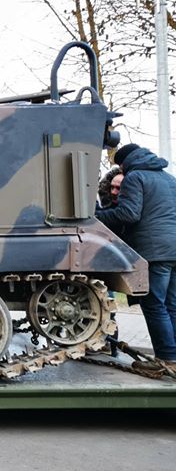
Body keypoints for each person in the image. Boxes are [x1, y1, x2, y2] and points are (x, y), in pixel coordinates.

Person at [95, 144, 176, 371]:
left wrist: (96, 216)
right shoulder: (169, 178)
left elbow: (129, 214)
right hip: (173, 249)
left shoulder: (135, 177)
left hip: (154, 251)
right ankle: (173, 357)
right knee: (172, 306)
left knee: (154, 304)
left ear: (124, 162)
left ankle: (167, 360)